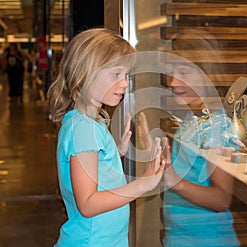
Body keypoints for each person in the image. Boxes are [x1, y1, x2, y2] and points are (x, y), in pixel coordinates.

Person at [46, 28, 165, 246]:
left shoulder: (89, 122)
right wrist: (143, 184)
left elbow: (92, 171)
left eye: (126, 75)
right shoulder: (83, 129)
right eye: (116, 74)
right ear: (86, 72)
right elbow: (88, 204)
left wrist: (114, 152)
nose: (125, 83)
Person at [160, 61, 240, 246]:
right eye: (171, 74)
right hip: (180, 238)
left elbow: (221, 199)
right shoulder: (192, 119)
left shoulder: (217, 127)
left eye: (183, 74)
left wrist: (176, 182)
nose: (172, 83)